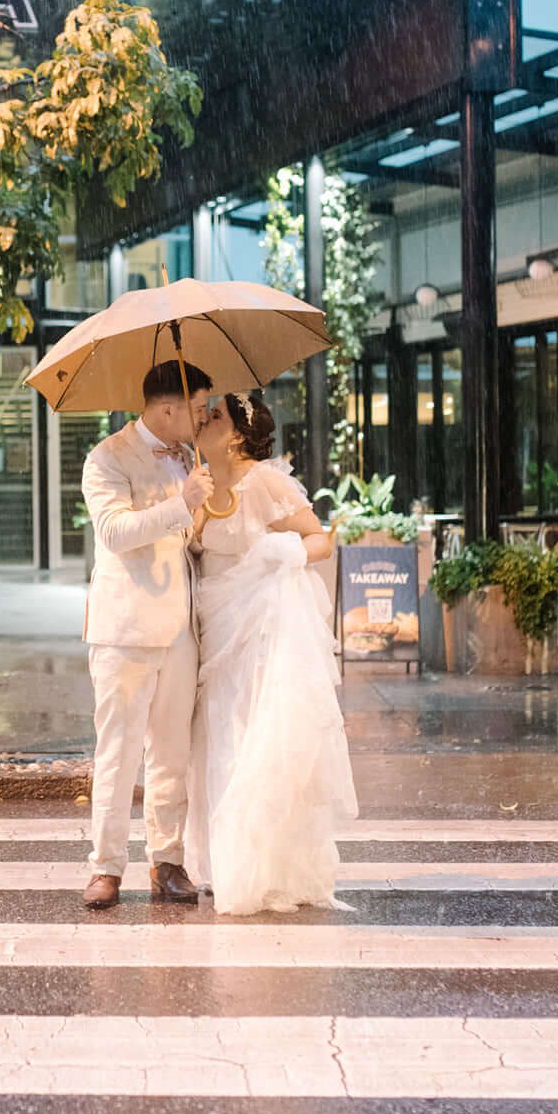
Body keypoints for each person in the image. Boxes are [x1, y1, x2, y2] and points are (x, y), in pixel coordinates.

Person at [185, 389, 359, 915]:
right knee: (218, 739)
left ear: (236, 437)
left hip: (258, 632)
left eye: (215, 416)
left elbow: (319, 539)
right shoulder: (198, 482)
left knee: (252, 739)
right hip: (212, 631)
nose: (204, 420)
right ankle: (225, 860)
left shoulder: (264, 481)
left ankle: (263, 866)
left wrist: (276, 553)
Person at [77, 360, 215, 910]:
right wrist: (182, 503)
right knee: (118, 752)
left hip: (180, 627)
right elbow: (115, 532)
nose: (204, 418)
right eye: (198, 408)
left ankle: (168, 861)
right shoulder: (107, 458)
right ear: (168, 409)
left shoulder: (188, 458)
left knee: (172, 752)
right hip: (125, 630)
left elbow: (184, 541)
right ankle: (106, 866)